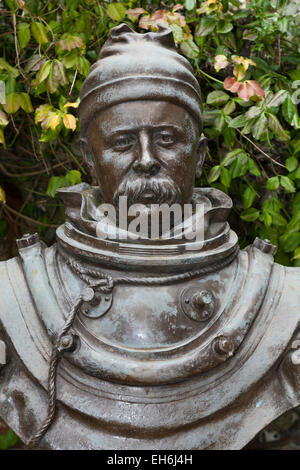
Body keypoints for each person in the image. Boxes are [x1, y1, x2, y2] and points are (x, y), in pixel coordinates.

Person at [0, 23, 299, 450]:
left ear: (198, 155)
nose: (146, 161)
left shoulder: (284, 303)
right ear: (89, 157)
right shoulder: (12, 300)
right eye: (122, 142)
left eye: (166, 139)